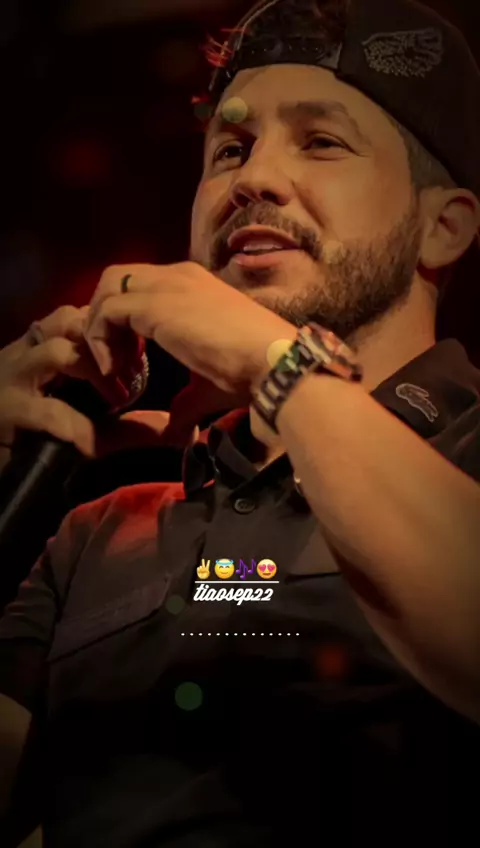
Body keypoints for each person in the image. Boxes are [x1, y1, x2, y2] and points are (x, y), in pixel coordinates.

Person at [1, 0, 480, 845]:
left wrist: (279, 367)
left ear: (441, 228)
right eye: (231, 148)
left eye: (320, 141)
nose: (252, 178)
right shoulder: (98, 534)